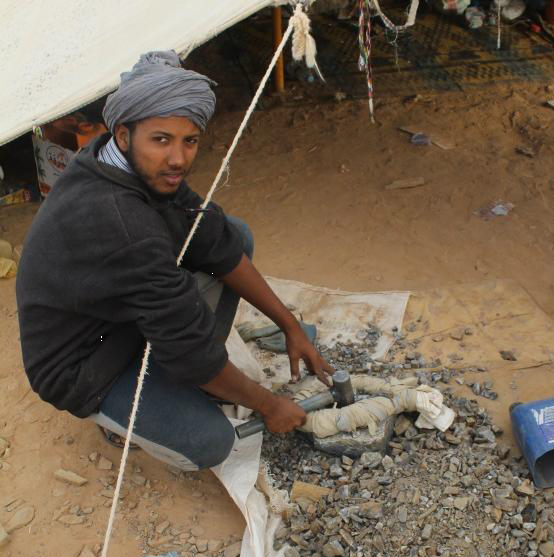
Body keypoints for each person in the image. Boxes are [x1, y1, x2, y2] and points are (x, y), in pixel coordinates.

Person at [16, 51, 333, 472]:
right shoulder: (121, 223)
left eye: (190, 140)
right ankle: (122, 417)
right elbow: (192, 351)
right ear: (125, 135)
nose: (179, 159)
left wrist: (290, 325)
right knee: (209, 444)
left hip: (117, 312)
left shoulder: (121, 161)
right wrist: (271, 405)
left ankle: (178, 377)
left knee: (233, 234)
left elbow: (216, 239)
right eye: (161, 140)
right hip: (84, 364)